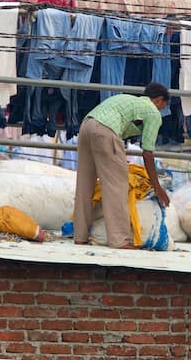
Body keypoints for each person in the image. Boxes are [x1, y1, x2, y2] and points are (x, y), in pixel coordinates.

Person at [73, 82, 171, 249]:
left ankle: (79, 236)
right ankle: (119, 240)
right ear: (159, 100)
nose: (162, 110)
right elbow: (147, 153)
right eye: (163, 106)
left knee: (84, 184)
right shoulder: (153, 112)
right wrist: (157, 188)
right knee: (117, 185)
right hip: (105, 129)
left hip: (86, 125)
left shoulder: (130, 101)